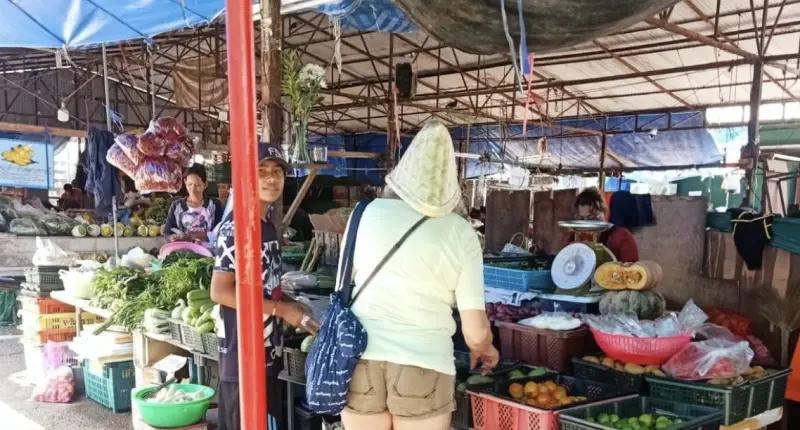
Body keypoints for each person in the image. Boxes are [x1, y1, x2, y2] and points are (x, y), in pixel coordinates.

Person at [340, 120, 499, 430]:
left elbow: (343, 288)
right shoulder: (461, 233)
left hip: (360, 360)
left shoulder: (363, 214)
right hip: (423, 366)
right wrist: (486, 348)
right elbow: (475, 333)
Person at [209, 144, 320, 430]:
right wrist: (282, 310)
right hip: (241, 355)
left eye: (277, 171)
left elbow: (265, 285)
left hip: (268, 350)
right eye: (261, 171)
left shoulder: (268, 226)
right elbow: (220, 291)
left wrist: (293, 309)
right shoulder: (235, 228)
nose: (271, 178)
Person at [570, 187, 639, 262]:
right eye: (581, 218)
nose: (586, 223)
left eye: (591, 218)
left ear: (603, 213)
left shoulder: (621, 236)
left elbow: (632, 269)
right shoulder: (576, 236)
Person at [165, 164, 224, 243]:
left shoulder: (215, 205)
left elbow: (222, 233)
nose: (192, 190)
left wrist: (195, 235)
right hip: (183, 252)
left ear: (205, 184)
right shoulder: (176, 206)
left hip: (208, 253)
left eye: (197, 185)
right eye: (190, 184)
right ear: (185, 182)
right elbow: (168, 233)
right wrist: (172, 237)